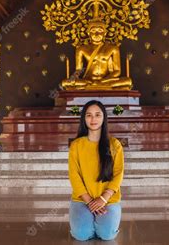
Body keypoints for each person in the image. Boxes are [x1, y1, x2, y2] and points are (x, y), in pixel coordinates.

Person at [68, 100, 124, 241]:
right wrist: (90, 202)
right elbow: (74, 175)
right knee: (81, 235)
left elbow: (118, 173)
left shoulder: (114, 145)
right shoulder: (76, 145)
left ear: (104, 117)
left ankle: (100, 224)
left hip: (108, 200)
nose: (93, 119)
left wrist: (103, 198)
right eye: (89, 115)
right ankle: (89, 223)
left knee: (107, 235)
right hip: (82, 199)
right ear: (84, 119)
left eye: (97, 115)